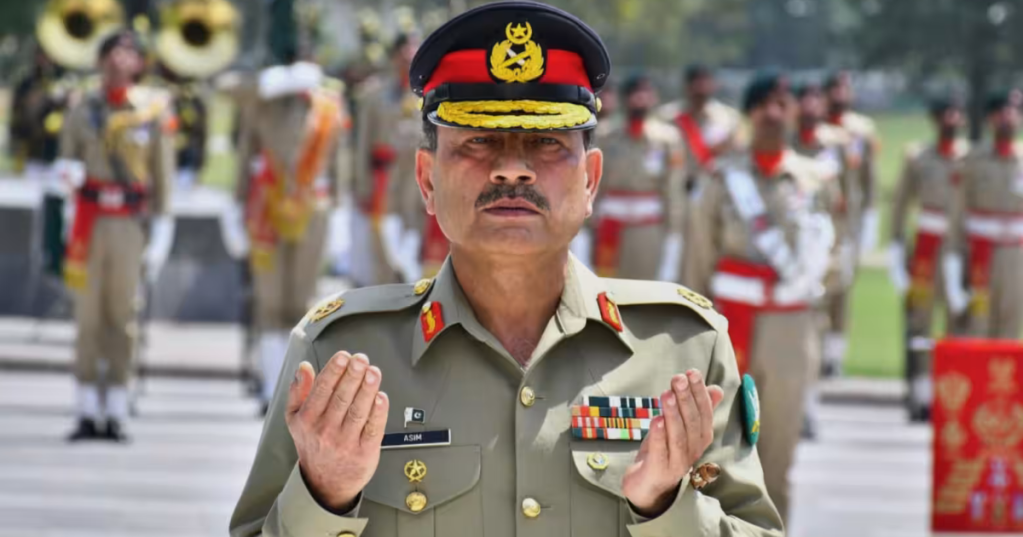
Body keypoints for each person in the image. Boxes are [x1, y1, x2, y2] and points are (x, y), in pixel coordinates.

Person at [229, 3, 783, 536]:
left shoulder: (684, 350)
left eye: (545, 143)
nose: (512, 168)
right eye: (478, 141)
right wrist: (325, 496)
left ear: (590, 180)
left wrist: (667, 508)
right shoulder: (340, 356)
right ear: (426, 179)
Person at [682, 72, 835, 522]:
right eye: (763, 104)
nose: (773, 112)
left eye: (781, 103)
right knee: (716, 457)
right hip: (731, 325)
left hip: (791, 327)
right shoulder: (722, 178)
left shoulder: (815, 179)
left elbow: (837, 249)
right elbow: (698, 258)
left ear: (792, 112)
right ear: (749, 115)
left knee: (778, 458)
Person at [57, 31, 176, 442]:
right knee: (87, 316)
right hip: (88, 221)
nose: (117, 61)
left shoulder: (151, 111)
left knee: (123, 316)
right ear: (100, 60)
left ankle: (117, 410)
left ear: (139, 63)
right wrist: (67, 177)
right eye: (110, 53)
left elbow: (162, 175)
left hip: (129, 224)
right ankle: (88, 409)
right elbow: (66, 158)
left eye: (126, 54)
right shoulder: (83, 107)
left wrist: (162, 229)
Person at [222, 54, 349, 415]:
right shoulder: (263, 104)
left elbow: (340, 165)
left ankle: (302, 387)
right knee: (269, 301)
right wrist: (235, 207)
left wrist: (340, 213)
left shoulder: (328, 108)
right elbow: (244, 149)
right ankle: (270, 387)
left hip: (314, 210)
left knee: (305, 302)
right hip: (267, 209)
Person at [889, 96, 968, 422]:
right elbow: (900, 204)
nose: (952, 118)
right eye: (946, 113)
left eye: (956, 112)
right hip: (926, 247)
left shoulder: (970, 158)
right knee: (919, 322)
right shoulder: (918, 157)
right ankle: (919, 394)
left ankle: (951, 394)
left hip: (958, 252)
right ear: (936, 119)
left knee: (958, 322)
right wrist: (896, 248)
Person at [350, 32, 446, 286]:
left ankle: (413, 301)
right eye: (404, 55)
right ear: (394, 57)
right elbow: (362, 144)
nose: (408, 61)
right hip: (385, 178)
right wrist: (361, 184)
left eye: (414, 55)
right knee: (383, 246)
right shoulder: (374, 94)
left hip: (417, 181)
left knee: (415, 244)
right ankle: (385, 300)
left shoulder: (430, 93)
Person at [790, 81, 855, 439]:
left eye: (817, 100)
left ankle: (808, 407)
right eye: (805, 100)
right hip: (787, 254)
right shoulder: (786, 148)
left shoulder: (836, 148)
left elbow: (845, 200)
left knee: (815, 328)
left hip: (823, 251)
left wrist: (846, 245)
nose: (811, 106)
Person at [943, 89, 1023, 340]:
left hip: (1016, 256)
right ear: (991, 119)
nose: (1008, 118)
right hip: (980, 254)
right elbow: (957, 215)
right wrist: (953, 267)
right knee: (977, 324)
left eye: (1014, 112)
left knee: (1011, 324)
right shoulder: (973, 162)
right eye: (1002, 113)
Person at [590, 74, 685, 280]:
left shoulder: (667, 139)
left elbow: (673, 187)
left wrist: (674, 231)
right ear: (624, 99)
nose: (640, 99)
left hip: (649, 228)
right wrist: (585, 227)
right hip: (610, 226)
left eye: (646, 93)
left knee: (646, 288)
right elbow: (593, 183)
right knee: (608, 288)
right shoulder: (605, 136)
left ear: (654, 98)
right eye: (635, 94)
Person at [822, 70, 880, 376]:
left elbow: (870, 177)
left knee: (842, 287)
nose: (840, 95)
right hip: (820, 219)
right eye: (835, 89)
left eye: (845, 89)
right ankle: (816, 348)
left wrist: (871, 217)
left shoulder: (861, 130)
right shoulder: (816, 128)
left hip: (848, 221)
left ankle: (835, 354)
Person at [662, 64, 742, 196]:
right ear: (687, 86)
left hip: (714, 190)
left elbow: (738, 155)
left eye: (705, 82)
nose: (700, 88)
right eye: (695, 82)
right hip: (676, 189)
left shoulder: (728, 119)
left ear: (713, 85)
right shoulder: (668, 117)